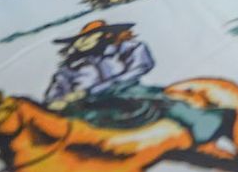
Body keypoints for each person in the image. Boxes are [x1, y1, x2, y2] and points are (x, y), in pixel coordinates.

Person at [44, 20, 223, 143]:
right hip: (85, 105)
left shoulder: (120, 50)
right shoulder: (69, 69)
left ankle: (200, 121)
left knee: (158, 99)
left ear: (104, 36)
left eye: (91, 37)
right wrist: (60, 101)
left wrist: (103, 87)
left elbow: (141, 65)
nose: (83, 42)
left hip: (123, 89)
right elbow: (55, 94)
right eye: (81, 40)